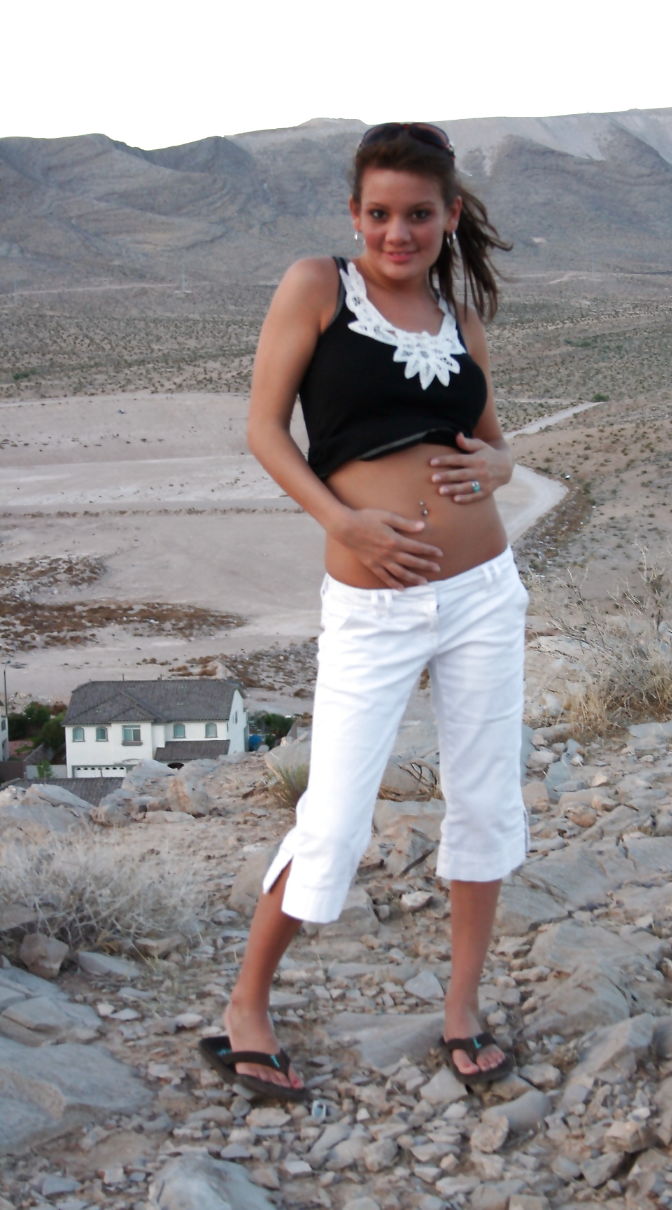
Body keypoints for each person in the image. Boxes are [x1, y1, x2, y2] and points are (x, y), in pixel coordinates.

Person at [199, 122, 528, 1102]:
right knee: (335, 813)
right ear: (354, 214)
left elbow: (495, 445)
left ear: (449, 216)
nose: (398, 232)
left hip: (481, 593)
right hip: (373, 607)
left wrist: (498, 467)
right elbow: (265, 430)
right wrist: (346, 522)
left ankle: (460, 1008)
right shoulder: (316, 288)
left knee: (484, 801)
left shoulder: (458, 319)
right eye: (379, 213)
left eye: (418, 214)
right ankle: (246, 1004)